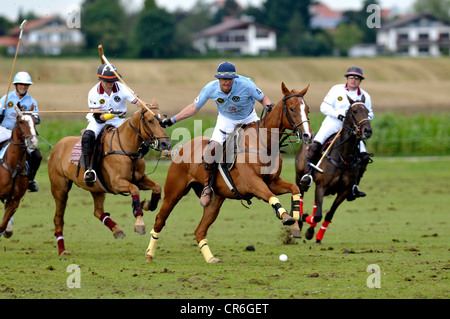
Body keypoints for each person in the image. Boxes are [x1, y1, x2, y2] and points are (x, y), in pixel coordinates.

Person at [160, 61, 273, 207]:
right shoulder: (210, 88)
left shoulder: (246, 84)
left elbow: (264, 99)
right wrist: (172, 120)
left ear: (234, 78)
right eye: (223, 79)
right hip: (226, 120)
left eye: (230, 79)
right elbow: (194, 107)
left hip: (249, 117)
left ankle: (270, 177)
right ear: (218, 79)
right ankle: (207, 188)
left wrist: (269, 109)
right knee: (211, 150)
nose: (227, 82)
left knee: (269, 143)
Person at [299, 66, 373, 201]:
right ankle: (308, 175)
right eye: (351, 77)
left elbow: (370, 113)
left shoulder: (365, 96)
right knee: (315, 147)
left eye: (357, 78)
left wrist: (363, 120)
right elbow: (324, 107)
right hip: (333, 124)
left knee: (364, 156)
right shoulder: (336, 89)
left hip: (352, 130)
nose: (354, 80)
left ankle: (354, 185)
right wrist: (339, 115)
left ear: (360, 80)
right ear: (347, 78)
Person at [82, 63, 149, 186]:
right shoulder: (94, 92)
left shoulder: (122, 88)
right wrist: (111, 114)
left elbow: (137, 102)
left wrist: (149, 108)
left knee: (141, 135)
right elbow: (98, 117)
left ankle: (137, 161)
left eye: (113, 80)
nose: (111, 83)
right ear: (101, 79)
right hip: (100, 121)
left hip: (120, 121)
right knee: (88, 137)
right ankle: (89, 169)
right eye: (108, 80)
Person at [0, 71, 42, 192]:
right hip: (5, 130)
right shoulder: (6, 98)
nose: (23, 86)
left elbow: (37, 118)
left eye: (26, 84)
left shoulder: (31, 102)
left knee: (37, 155)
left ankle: (30, 180)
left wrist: (33, 119)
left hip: (23, 135)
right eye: (20, 84)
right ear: (16, 85)